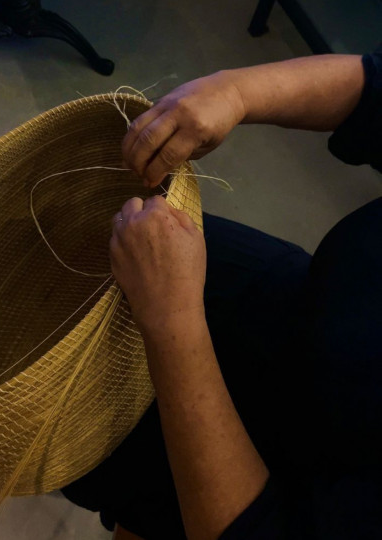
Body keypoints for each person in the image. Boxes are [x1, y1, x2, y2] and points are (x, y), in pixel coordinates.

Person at [62, 53, 382, 539]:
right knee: (105, 256)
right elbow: (374, 88)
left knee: (117, 455)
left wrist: (172, 317)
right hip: (309, 304)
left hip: (293, 477)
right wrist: (236, 90)